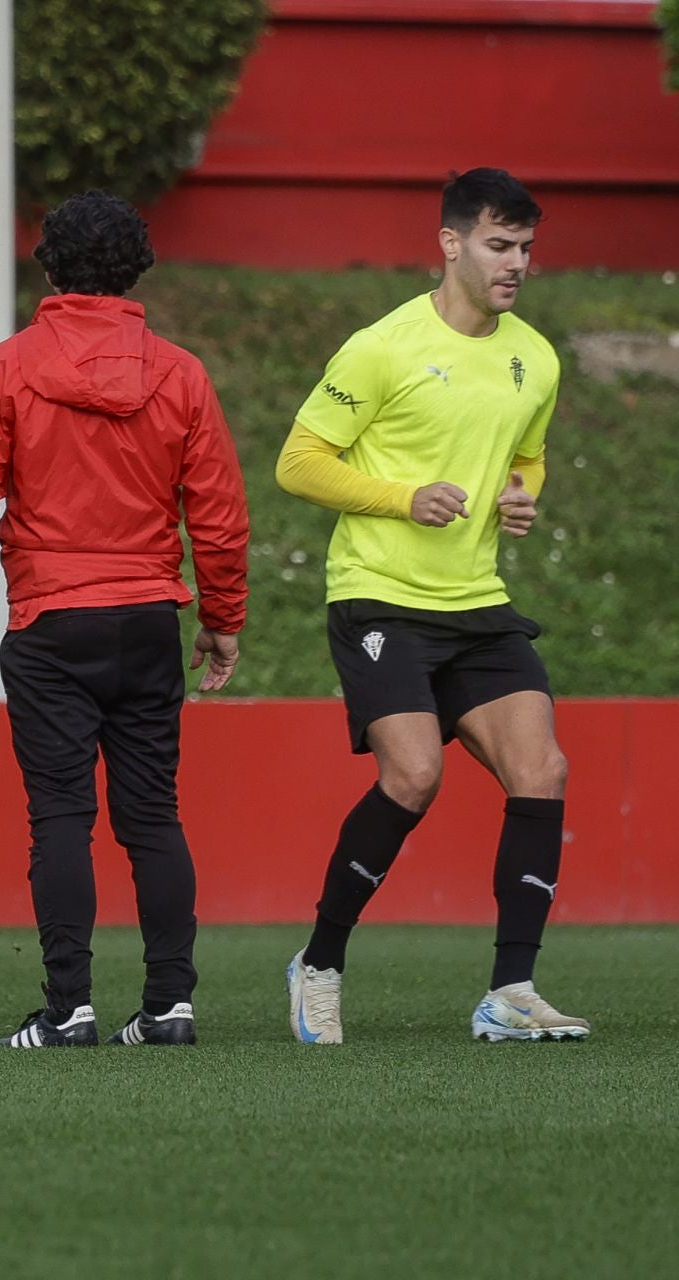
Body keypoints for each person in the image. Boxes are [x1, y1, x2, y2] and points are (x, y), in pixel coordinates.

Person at [0, 190, 248, 1049]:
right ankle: (169, 1005)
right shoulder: (179, 373)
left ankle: (70, 1010)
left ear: (51, 266)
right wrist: (221, 617)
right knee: (153, 816)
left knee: (61, 817)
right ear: (137, 267)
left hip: (51, 624)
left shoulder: (9, 366)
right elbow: (216, 515)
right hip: (145, 620)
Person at [277, 168, 583, 1045]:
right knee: (413, 775)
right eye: (498, 245)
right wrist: (403, 497)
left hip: (477, 602)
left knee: (544, 772)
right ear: (451, 244)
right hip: (379, 597)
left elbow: (529, 455)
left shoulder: (536, 356)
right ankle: (319, 966)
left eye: (525, 246)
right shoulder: (383, 346)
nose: (516, 263)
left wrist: (522, 495)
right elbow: (299, 463)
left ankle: (510, 993)